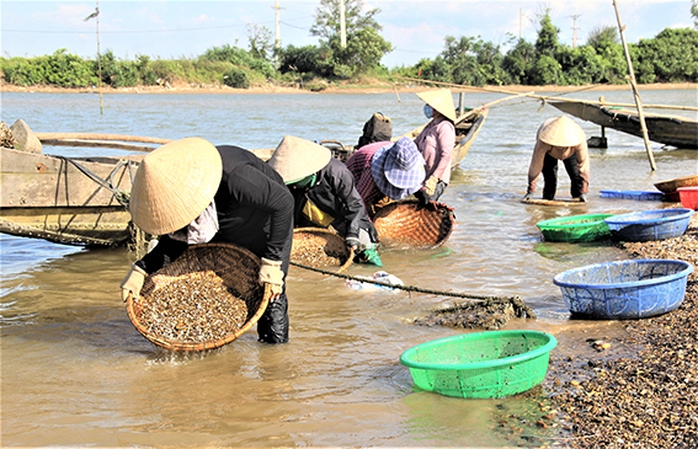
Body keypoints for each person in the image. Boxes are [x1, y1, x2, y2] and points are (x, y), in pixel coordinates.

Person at [119, 137, 294, 344]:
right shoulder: (180, 198)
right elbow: (176, 242)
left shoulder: (235, 176)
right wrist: (142, 269)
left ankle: (274, 359)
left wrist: (273, 263)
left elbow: (283, 203)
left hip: (265, 227)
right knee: (227, 292)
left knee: (270, 298)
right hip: (224, 227)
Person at [267, 135, 382, 266]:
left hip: (343, 218)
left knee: (365, 250)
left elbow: (355, 206)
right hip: (310, 216)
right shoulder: (290, 185)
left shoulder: (337, 173)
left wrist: (352, 234)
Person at [345, 136, 426, 217]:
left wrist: (421, 191)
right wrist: (367, 223)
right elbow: (357, 201)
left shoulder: (405, 155)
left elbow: (411, 177)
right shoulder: (371, 169)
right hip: (354, 180)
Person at [524, 116, 590, 202]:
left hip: (571, 151)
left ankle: (578, 202)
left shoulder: (578, 141)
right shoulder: (543, 141)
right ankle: (548, 206)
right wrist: (531, 190)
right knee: (550, 180)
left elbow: (583, 165)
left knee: (576, 177)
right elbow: (536, 165)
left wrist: (584, 190)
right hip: (549, 152)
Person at [413, 88, 457, 204]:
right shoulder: (430, 126)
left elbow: (446, 155)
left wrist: (434, 178)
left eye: (430, 105)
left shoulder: (445, 127)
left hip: (436, 178)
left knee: (427, 207)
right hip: (424, 176)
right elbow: (416, 143)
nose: (427, 107)